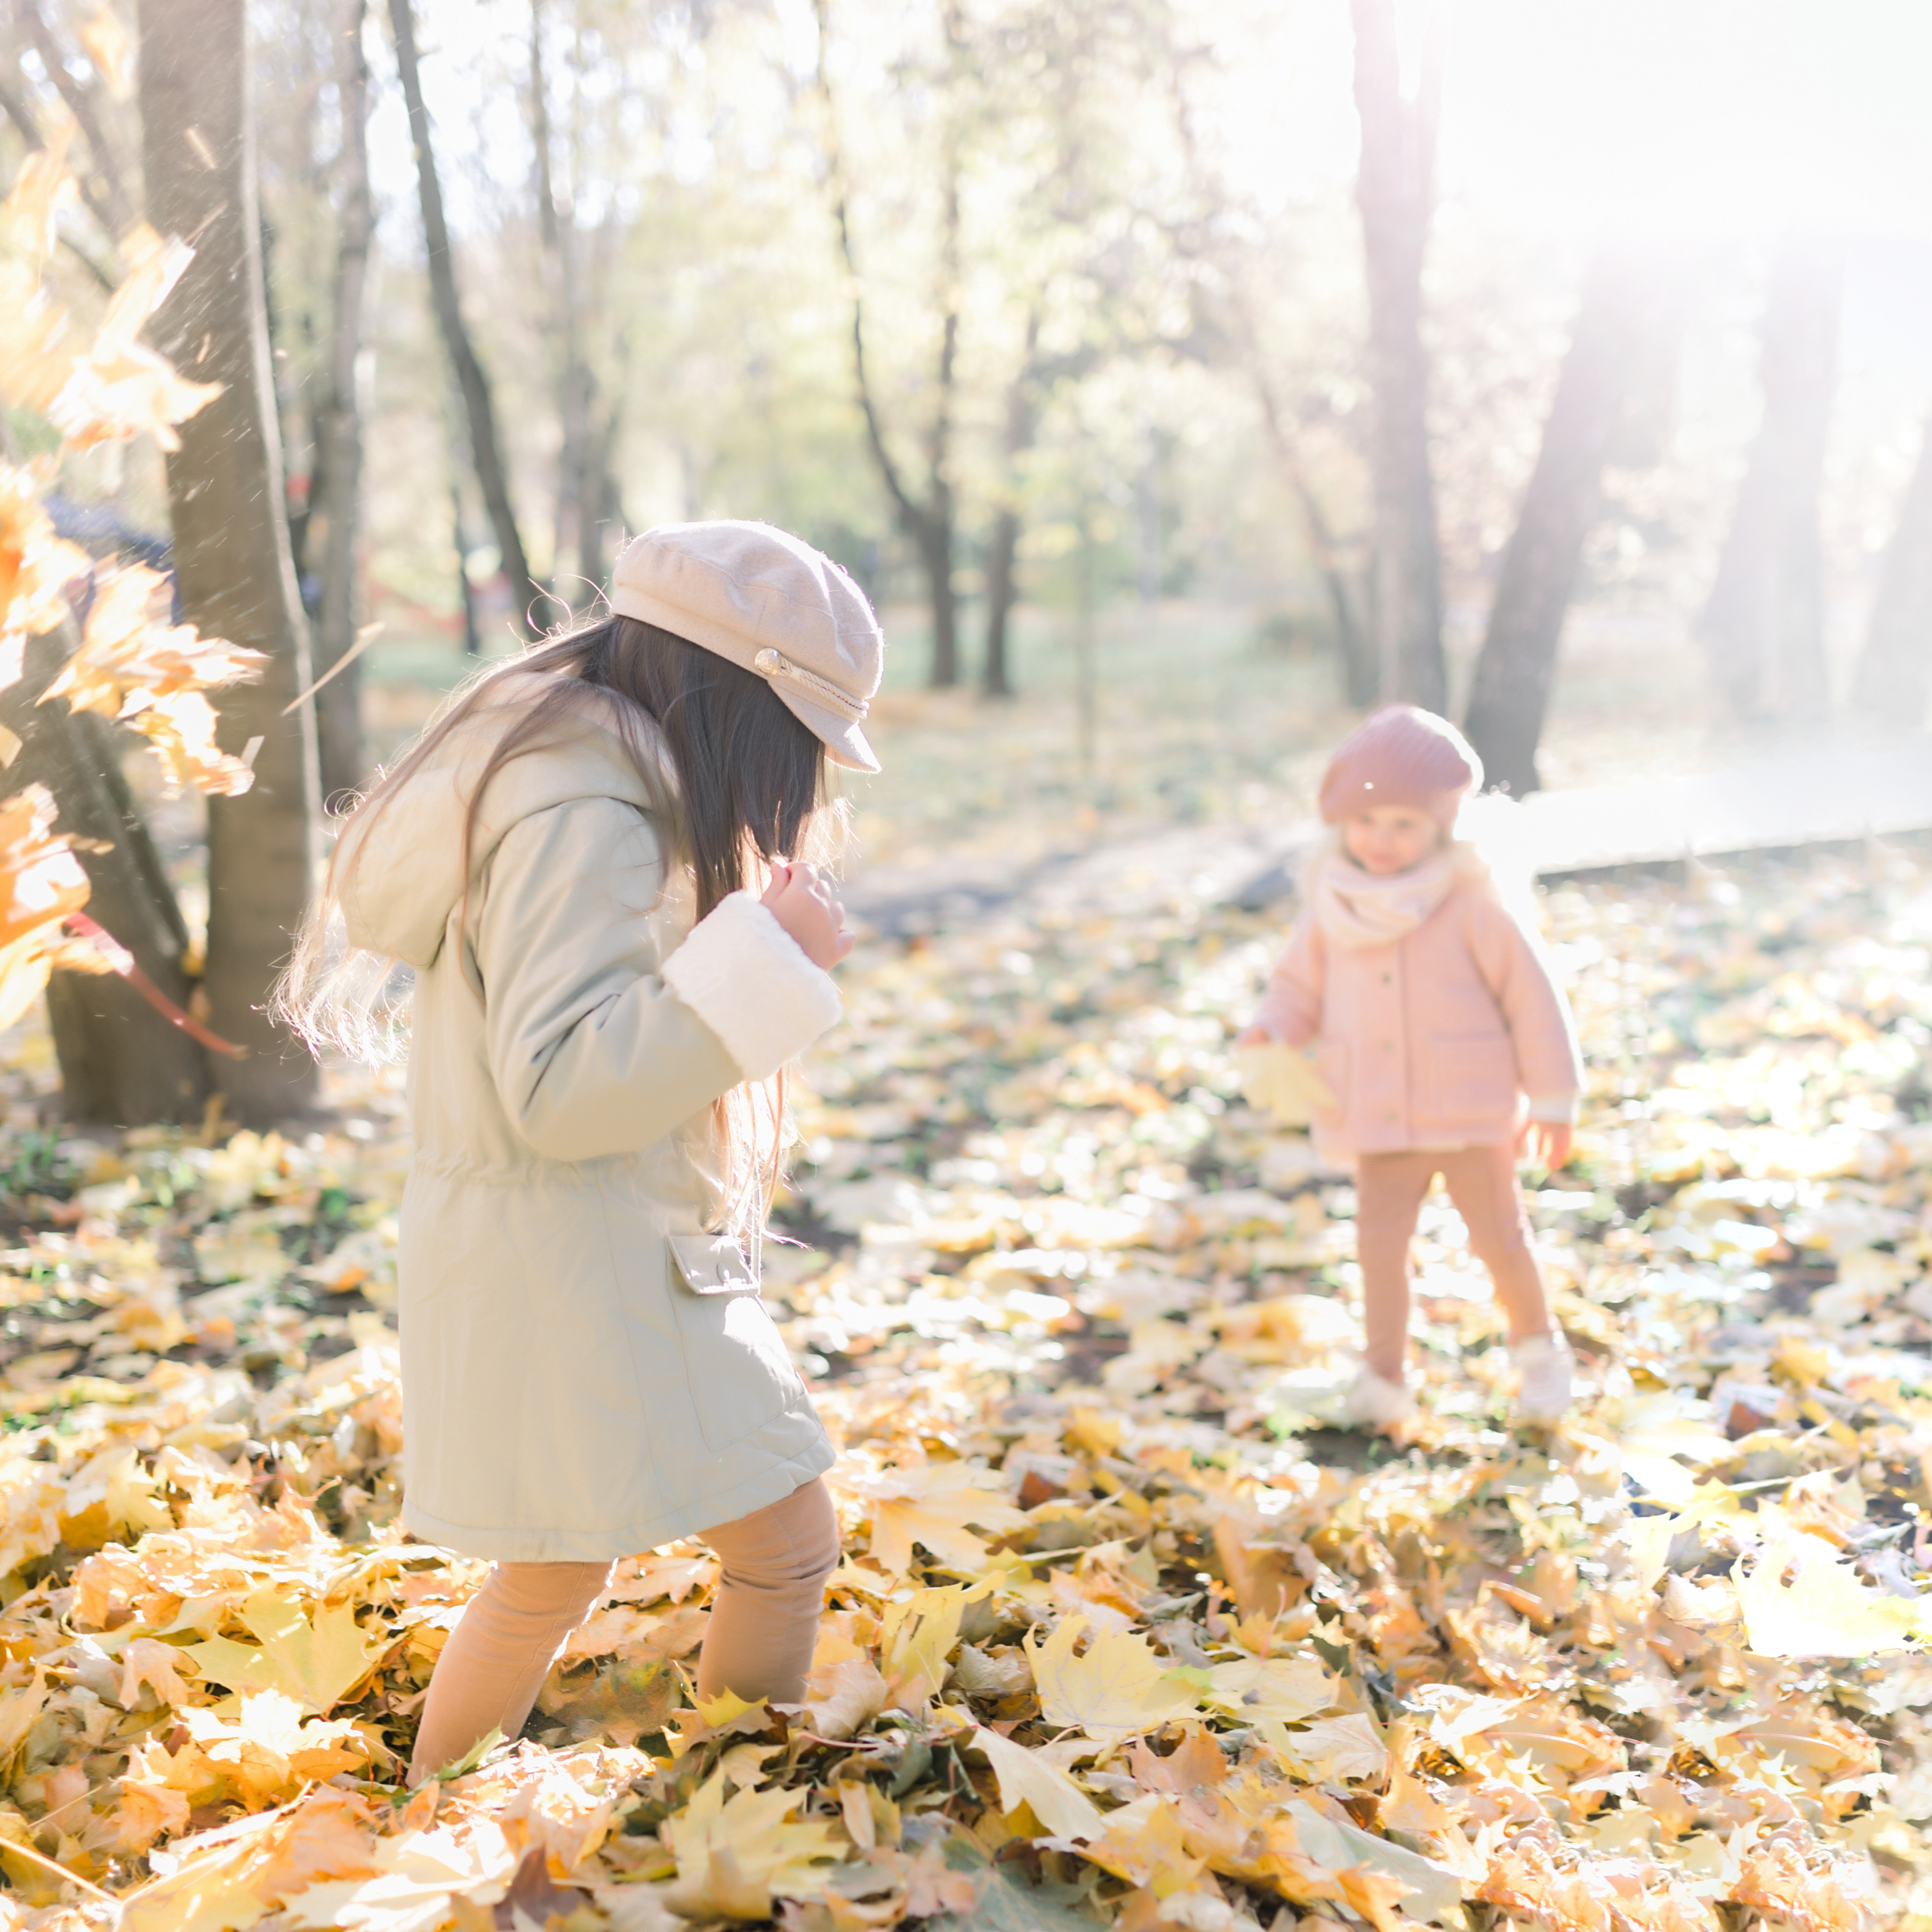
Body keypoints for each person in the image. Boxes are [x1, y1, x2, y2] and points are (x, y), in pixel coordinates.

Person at [278, 521, 881, 1783]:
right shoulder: (585, 809)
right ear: (737, 705)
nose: (801, 789)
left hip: (560, 1246)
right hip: (580, 1256)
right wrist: (768, 959)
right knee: (782, 1538)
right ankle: (732, 1801)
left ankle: (432, 1814)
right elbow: (562, 1085)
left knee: (555, 1565)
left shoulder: (563, 775)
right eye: (800, 747)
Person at [1240, 706, 1583, 1427]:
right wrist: (1273, 1026)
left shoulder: (1472, 906)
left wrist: (1552, 1098)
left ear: (1442, 826)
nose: (1382, 841)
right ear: (1339, 827)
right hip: (1377, 1112)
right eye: (1366, 823)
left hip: (1468, 1112)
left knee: (1500, 1237)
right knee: (1379, 1250)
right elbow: (1297, 986)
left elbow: (1533, 998)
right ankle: (1384, 1376)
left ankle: (1538, 1352)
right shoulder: (1332, 906)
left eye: (1404, 824)